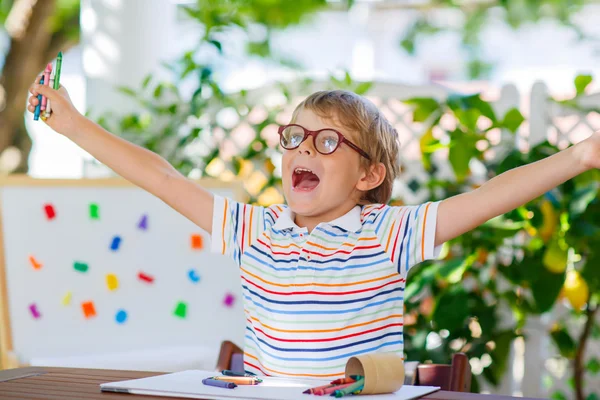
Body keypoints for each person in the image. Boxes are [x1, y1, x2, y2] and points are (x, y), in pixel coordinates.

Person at [27, 80, 600, 378]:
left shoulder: (385, 233)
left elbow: (489, 196)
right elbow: (164, 178)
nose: (304, 149)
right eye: (295, 138)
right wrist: (74, 125)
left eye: (328, 142)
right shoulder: (255, 230)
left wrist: (580, 156)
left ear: (369, 174)